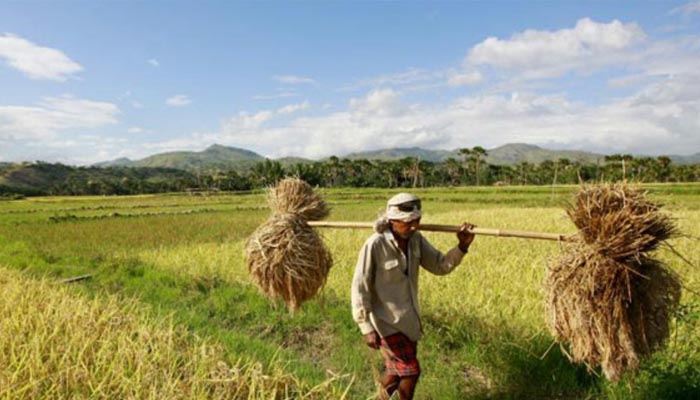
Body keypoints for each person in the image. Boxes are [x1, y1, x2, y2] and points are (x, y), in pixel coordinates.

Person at [351, 193, 475, 400]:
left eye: (417, 221)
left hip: (409, 322)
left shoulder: (416, 241)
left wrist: (462, 246)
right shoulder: (375, 244)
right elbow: (359, 285)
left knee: (396, 373)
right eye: (408, 222)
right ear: (392, 220)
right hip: (385, 322)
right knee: (411, 371)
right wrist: (365, 326)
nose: (414, 226)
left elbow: (440, 265)